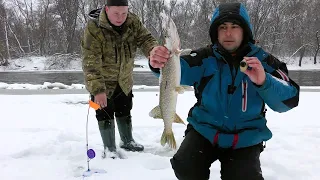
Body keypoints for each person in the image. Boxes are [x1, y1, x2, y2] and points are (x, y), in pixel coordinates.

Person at [149, 2, 300, 180]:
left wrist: (264, 81)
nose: (228, 33)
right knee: (185, 165)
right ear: (216, 31)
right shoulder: (203, 58)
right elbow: (178, 70)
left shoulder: (265, 61)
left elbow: (289, 99)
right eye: (223, 27)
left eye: (234, 26)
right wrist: (158, 62)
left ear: (245, 30)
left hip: (245, 137)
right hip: (205, 130)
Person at [81, 0, 164, 158]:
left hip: (124, 80)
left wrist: (153, 51)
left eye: (124, 13)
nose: (120, 17)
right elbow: (90, 62)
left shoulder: (132, 22)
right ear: (107, 9)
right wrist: (98, 90)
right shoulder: (94, 28)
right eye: (116, 13)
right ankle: (109, 147)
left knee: (125, 109)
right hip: (102, 82)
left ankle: (127, 141)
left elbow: (146, 39)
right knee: (104, 113)